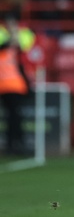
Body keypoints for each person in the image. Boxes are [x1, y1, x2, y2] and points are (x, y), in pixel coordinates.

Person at [0, 18, 31, 155]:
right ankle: (14, 143)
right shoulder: (4, 44)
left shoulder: (17, 46)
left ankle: (16, 143)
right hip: (7, 87)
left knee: (14, 116)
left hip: (15, 87)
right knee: (13, 117)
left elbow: (24, 46)